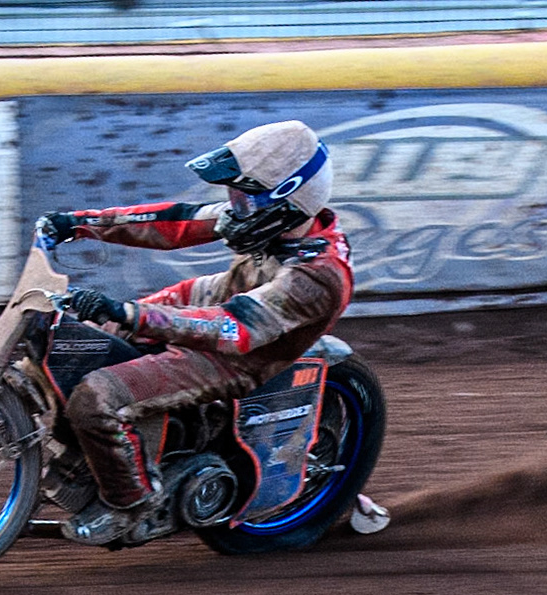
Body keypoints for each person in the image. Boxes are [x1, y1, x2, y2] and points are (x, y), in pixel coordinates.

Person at [34, 119, 385, 545]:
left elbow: (232, 329)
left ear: (288, 196)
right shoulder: (266, 216)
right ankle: (86, 460)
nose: (232, 205)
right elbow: (177, 220)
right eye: (233, 194)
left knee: (98, 397)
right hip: (216, 302)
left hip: (238, 353)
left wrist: (129, 312)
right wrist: (77, 223)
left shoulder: (317, 276)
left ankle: (131, 504)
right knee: (83, 334)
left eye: (243, 195)